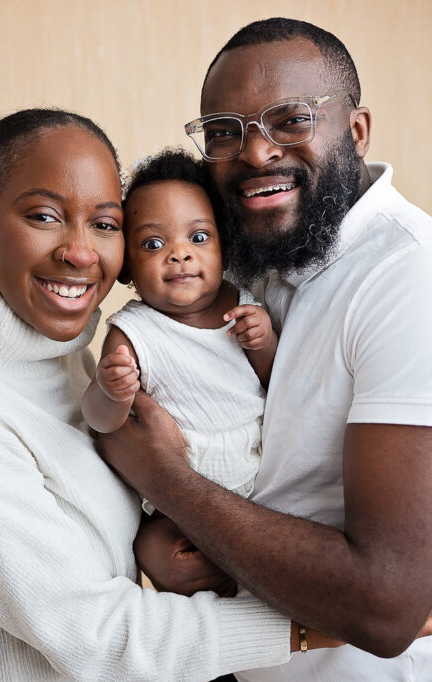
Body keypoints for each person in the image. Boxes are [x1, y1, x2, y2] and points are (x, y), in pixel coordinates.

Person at [95, 18, 432, 681]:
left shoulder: (426, 279)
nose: (256, 153)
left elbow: (386, 608)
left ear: (356, 130)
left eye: (290, 119)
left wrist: (163, 479)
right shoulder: (246, 258)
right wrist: (160, 546)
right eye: (224, 133)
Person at [0, 108, 324, 680]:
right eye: (45, 216)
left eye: (103, 224)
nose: (79, 252)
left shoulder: (57, 346)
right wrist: (322, 623)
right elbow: (97, 637)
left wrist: (161, 545)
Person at [82, 149, 276, 528]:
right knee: (156, 552)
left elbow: (275, 379)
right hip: (177, 485)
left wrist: (264, 340)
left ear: (224, 248)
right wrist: (110, 392)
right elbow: (100, 422)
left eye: (199, 237)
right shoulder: (133, 332)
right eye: (154, 245)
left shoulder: (240, 305)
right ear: (126, 267)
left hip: (261, 468)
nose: (180, 254)